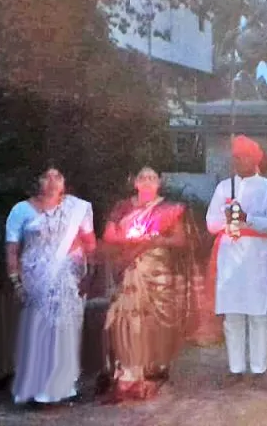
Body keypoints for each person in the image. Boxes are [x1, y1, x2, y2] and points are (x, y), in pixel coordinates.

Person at [102, 167, 201, 402]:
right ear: (134, 182)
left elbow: (179, 240)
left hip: (157, 272)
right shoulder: (122, 207)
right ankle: (127, 373)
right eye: (142, 177)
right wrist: (133, 240)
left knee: (153, 321)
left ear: (159, 183)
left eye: (152, 178)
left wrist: (156, 239)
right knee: (126, 320)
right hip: (128, 268)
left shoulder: (169, 209)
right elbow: (108, 235)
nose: (147, 182)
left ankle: (152, 370)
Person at [6, 165, 97, 405]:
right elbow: (12, 250)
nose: (53, 180)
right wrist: (16, 281)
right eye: (47, 175)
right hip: (36, 279)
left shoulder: (77, 209)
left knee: (66, 330)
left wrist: (89, 275)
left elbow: (90, 243)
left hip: (69, 278)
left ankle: (65, 388)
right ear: (37, 181)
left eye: (58, 176)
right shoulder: (21, 211)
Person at [206, 135, 267, 388]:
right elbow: (211, 224)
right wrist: (229, 219)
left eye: (244, 157)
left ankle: (259, 368)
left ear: (256, 159)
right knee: (233, 315)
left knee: (258, 314)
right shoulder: (223, 188)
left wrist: (248, 217)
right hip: (229, 255)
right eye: (236, 157)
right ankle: (235, 368)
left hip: (257, 256)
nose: (239, 161)